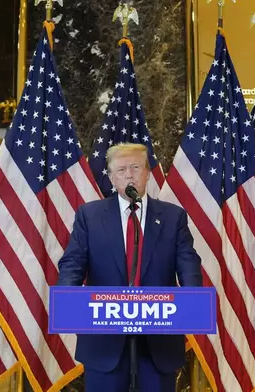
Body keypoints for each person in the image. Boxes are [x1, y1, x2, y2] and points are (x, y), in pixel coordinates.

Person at [56, 143, 203, 392]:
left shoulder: (172, 216)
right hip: (104, 342)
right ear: (112, 178)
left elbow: (188, 262)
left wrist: (193, 300)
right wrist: (67, 298)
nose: (129, 174)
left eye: (135, 167)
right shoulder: (89, 216)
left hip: (158, 343)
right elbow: (73, 263)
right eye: (121, 169)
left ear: (147, 173)